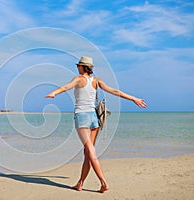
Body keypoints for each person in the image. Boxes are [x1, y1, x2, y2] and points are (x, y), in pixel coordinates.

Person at [45, 56, 146, 193]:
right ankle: (80, 183)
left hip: (82, 117)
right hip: (94, 118)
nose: (77, 67)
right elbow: (115, 91)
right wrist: (134, 98)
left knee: (91, 151)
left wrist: (54, 93)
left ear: (82, 67)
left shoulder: (78, 79)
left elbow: (66, 87)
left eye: (78, 65)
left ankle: (103, 183)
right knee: (87, 152)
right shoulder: (97, 81)